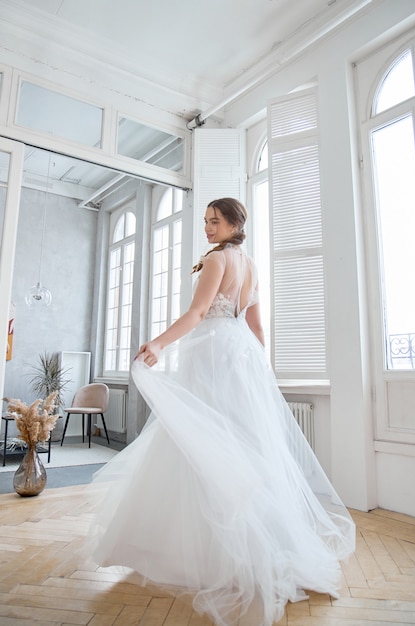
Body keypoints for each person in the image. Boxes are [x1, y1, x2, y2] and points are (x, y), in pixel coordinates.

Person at [90, 198, 355, 626]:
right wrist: (261, 375)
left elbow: (197, 313)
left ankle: (201, 553)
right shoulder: (250, 265)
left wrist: (158, 343)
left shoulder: (218, 261)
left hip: (212, 355)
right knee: (236, 446)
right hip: (240, 359)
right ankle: (261, 546)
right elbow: (256, 327)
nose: (208, 228)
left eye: (215, 221)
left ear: (235, 224)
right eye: (206, 222)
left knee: (200, 442)